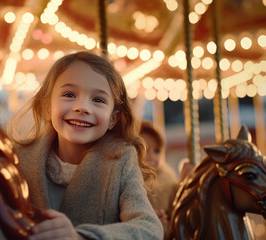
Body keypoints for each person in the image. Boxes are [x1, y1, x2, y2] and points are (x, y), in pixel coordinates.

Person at [8, 51, 163, 240]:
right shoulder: (18, 159)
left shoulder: (120, 160)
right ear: (48, 107)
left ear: (113, 119)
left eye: (98, 100)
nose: (82, 107)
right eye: (69, 94)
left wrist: (82, 237)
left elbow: (150, 228)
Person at [139, 120, 193, 233]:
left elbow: (176, 206)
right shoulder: (131, 180)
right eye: (145, 150)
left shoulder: (166, 176)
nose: (153, 157)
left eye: (157, 151)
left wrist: (184, 182)